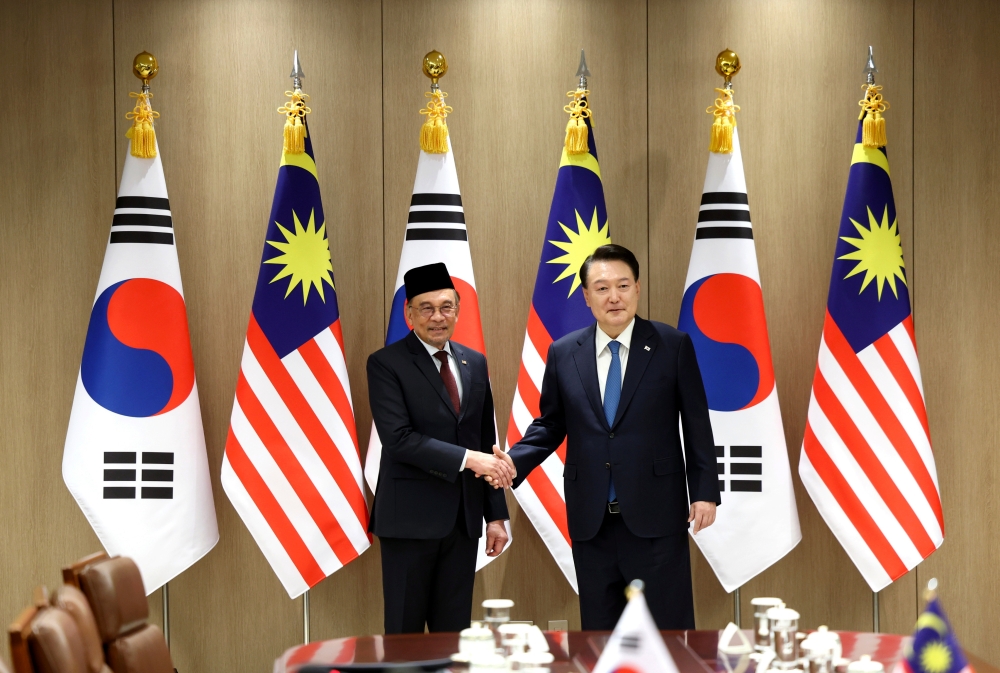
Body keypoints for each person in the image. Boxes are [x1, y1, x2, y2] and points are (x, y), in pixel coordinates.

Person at [504, 244, 720, 630]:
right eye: (602, 288)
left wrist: (704, 490)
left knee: (667, 634)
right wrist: (511, 462)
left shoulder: (672, 345)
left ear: (637, 288)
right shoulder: (563, 352)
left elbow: (697, 423)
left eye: (623, 285)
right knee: (601, 635)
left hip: (656, 517)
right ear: (586, 297)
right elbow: (551, 423)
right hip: (592, 521)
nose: (614, 296)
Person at [367, 262, 514, 634]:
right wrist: (468, 459)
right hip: (408, 523)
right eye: (427, 308)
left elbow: (485, 444)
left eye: (446, 306)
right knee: (405, 638)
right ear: (409, 313)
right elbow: (398, 439)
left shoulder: (474, 363)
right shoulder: (386, 364)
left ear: (459, 310)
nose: (438, 317)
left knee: (455, 636)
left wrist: (495, 516)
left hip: (463, 523)